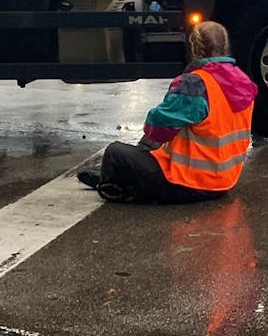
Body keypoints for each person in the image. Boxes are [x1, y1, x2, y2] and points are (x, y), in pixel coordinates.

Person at [77, 21, 256, 204]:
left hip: (188, 183)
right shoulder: (243, 82)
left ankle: (114, 186)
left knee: (115, 152)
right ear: (226, 46)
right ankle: (127, 180)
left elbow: (158, 127)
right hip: (223, 181)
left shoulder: (195, 84)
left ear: (193, 47)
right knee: (153, 146)